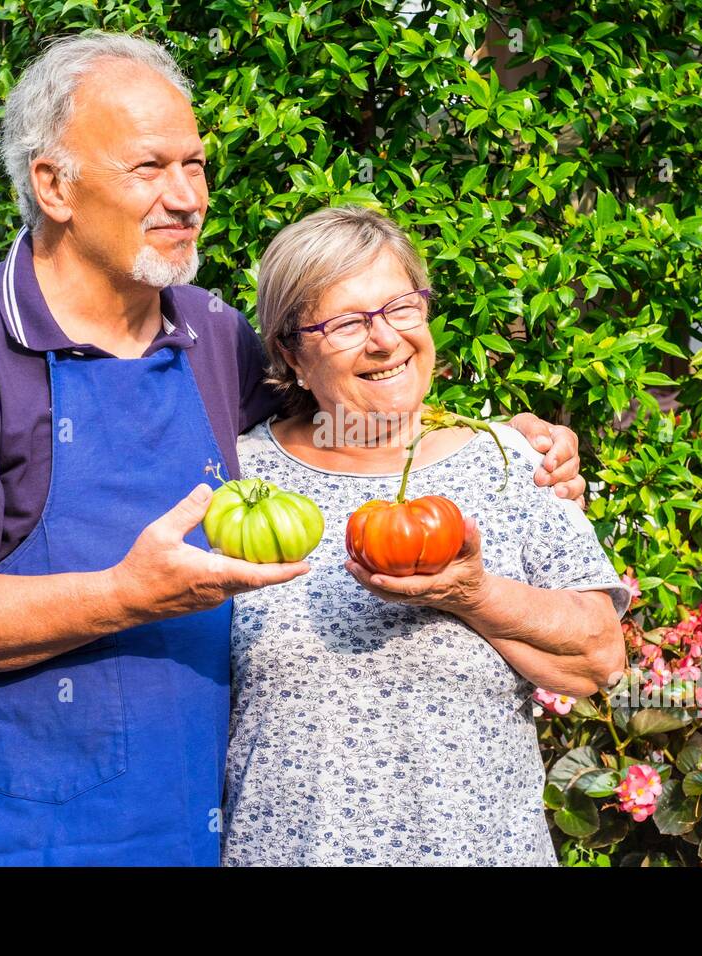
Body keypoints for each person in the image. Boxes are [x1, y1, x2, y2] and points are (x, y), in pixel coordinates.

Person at [0, 32, 587, 866]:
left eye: (195, 165)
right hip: (6, 827)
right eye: (149, 169)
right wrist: (124, 596)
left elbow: (354, 406)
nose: (187, 197)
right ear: (53, 184)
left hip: (194, 826)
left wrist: (503, 439)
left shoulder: (212, 334)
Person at [222, 206, 632, 866]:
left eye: (402, 307)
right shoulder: (241, 482)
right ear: (291, 356)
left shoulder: (505, 460)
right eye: (347, 323)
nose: (385, 340)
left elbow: (599, 659)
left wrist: (472, 594)